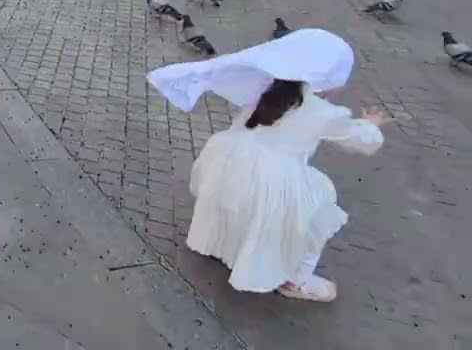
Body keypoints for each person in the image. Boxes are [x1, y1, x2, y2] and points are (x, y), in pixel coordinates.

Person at [148, 29, 390, 302]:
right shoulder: (325, 113)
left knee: (235, 207)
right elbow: (363, 141)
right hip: (271, 178)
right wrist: (371, 124)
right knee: (314, 214)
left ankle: (217, 244)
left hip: (227, 163)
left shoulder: (267, 88)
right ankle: (294, 279)